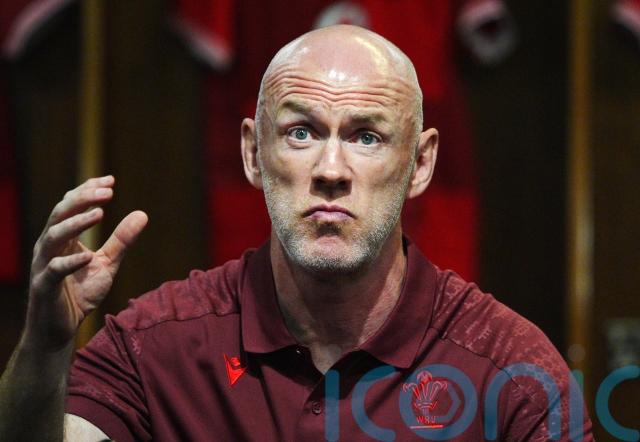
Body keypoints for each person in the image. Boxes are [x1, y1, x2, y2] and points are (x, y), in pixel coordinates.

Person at [0, 25, 592, 441]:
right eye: (301, 132)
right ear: (253, 153)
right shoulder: (158, 344)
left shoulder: (510, 370)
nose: (331, 170)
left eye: (366, 136)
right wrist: (46, 347)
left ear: (420, 164)